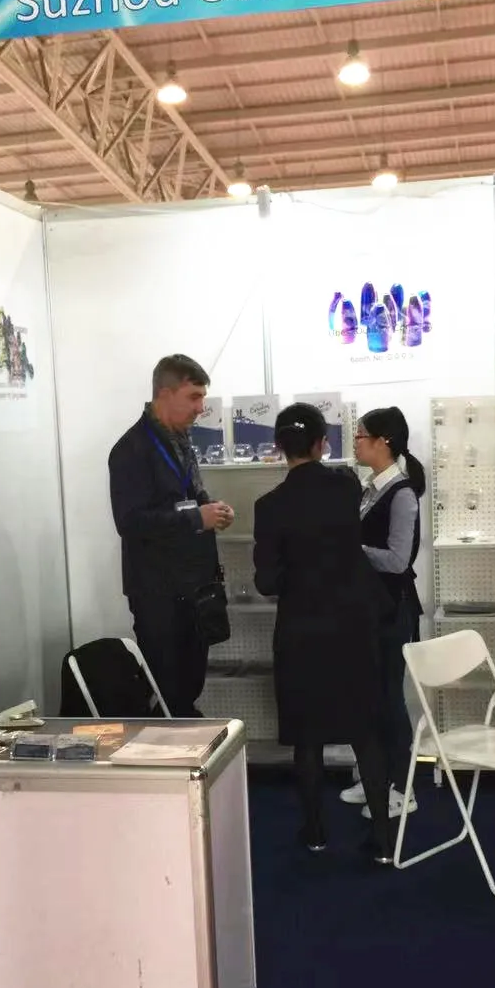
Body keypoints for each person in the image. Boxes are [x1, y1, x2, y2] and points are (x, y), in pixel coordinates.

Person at [253, 403, 393, 863]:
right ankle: (382, 840)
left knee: (307, 737)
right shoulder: (346, 485)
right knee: (365, 732)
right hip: (353, 624)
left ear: (278, 446)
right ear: (322, 444)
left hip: (301, 630)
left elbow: (266, 582)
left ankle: (315, 832)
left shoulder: (269, 506)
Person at [109, 355, 234, 717]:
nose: (200, 408)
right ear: (165, 393)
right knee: (168, 689)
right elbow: (130, 522)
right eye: (193, 397)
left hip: (195, 587)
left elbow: (187, 496)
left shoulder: (181, 440)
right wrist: (196, 518)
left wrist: (212, 509)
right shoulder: (131, 450)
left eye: (202, 397)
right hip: (158, 594)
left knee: (190, 684)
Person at [342, 407, 426, 818]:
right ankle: (374, 777)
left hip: (392, 610)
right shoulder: (369, 488)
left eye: (360, 436)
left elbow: (397, 560)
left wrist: (350, 549)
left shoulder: (402, 494)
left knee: (390, 697)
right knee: (370, 696)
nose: (355, 443)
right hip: (368, 609)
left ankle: (401, 786)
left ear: (382, 441)